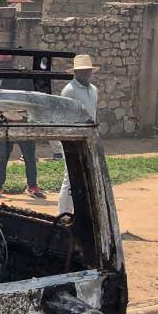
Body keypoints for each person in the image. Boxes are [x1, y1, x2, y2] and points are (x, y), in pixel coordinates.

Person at [0, 55, 45, 200]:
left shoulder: (23, 76)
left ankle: (32, 186)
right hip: (6, 124)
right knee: (3, 157)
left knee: (29, 157)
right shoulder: (1, 79)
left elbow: (30, 99)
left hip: (23, 123)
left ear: (8, 63)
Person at [57, 55, 99, 215]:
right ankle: (63, 213)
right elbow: (64, 116)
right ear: (76, 73)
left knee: (88, 175)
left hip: (90, 137)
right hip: (73, 137)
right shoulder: (69, 91)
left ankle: (83, 211)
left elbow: (94, 114)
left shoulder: (94, 90)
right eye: (82, 71)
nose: (86, 73)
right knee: (70, 176)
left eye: (87, 70)